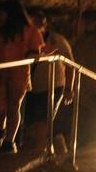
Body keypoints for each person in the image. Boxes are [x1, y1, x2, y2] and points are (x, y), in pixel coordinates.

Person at [0, 0, 43, 153]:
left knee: (13, 106)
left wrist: (31, 57)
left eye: (1, 13)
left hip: (19, 73)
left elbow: (35, 51)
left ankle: (9, 141)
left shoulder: (31, 31)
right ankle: (0, 133)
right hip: (0, 72)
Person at [28, 9, 73, 154]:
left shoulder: (57, 39)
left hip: (53, 85)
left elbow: (70, 64)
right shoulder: (29, 39)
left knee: (43, 120)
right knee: (35, 123)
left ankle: (42, 153)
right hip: (33, 86)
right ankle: (48, 150)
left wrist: (68, 88)